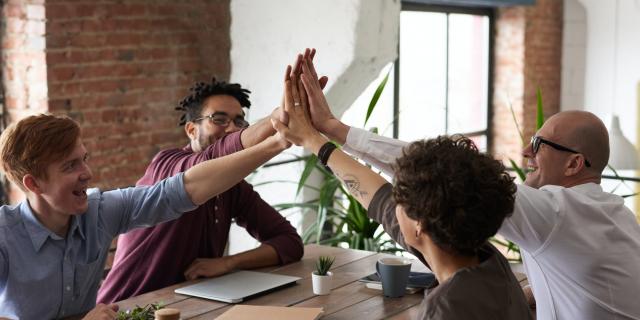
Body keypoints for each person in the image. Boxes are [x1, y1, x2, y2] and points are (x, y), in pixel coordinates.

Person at [297, 54, 640, 319]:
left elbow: (438, 172)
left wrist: (332, 131)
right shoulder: (612, 215)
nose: (525, 151)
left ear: (574, 163)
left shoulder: (558, 213)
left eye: (538, 144)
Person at [271, 60, 533, 319]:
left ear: (420, 223)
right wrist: (318, 137)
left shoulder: (445, 309)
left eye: (401, 198)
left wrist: (314, 139)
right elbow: (379, 198)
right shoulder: (485, 258)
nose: (393, 203)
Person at [0, 113, 289, 319]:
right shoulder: (4, 235)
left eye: (84, 159)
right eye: (70, 166)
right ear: (33, 184)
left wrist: (276, 143)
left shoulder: (99, 211)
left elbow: (184, 188)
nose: (87, 173)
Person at [98, 51, 328, 303]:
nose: (231, 127)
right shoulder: (167, 165)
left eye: (239, 121)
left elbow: (289, 242)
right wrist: (277, 120)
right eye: (219, 119)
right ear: (191, 129)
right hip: (127, 308)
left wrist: (228, 263)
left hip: (191, 307)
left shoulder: (233, 187)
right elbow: (213, 158)